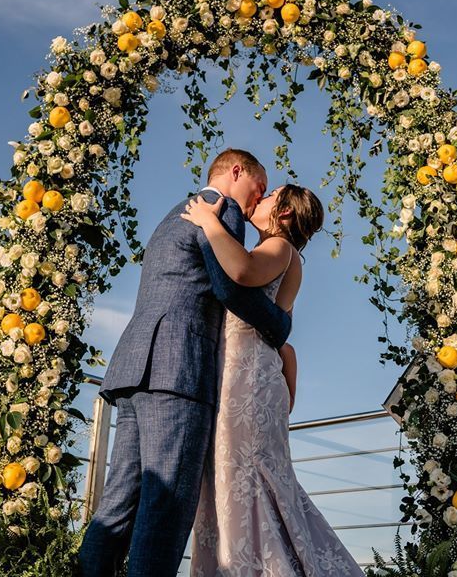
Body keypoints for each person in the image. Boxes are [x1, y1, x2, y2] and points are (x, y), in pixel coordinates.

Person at [77, 148, 292, 577]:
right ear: (235, 172)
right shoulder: (222, 209)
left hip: (134, 368)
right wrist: (280, 326)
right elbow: (231, 288)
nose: (258, 198)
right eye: (259, 186)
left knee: (118, 504)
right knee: (166, 507)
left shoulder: (173, 214)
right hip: (179, 372)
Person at [183, 184, 365, 576]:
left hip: (247, 383)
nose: (259, 202)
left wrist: (208, 223)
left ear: (283, 215)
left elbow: (242, 271)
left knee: (243, 479)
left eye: (269, 197)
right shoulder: (286, 255)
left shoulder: (281, 248)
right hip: (245, 378)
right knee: (240, 481)